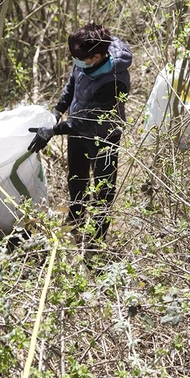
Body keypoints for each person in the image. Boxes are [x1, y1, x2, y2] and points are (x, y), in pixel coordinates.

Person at [28, 22, 132, 245]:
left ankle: (96, 239)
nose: (75, 62)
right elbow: (72, 86)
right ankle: (75, 219)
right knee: (76, 178)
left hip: (103, 136)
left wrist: (54, 131)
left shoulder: (115, 81)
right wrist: (57, 111)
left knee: (103, 188)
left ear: (96, 56)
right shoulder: (84, 62)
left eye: (80, 58)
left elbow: (88, 121)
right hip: (76, 132)